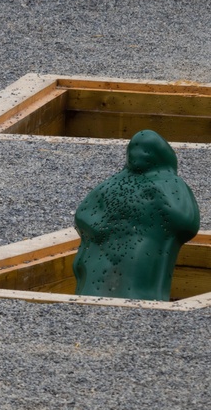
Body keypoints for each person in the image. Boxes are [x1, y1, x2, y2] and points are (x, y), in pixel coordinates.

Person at [73, 129, 200, 301]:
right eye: (133, 150)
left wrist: (160, 202)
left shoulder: (171, 183)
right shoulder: (114, 182)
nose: (137, 155)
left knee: (137, 285)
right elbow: (83, 213)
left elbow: (188, 222)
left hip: (145, 249)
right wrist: (99, 228)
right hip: (104, 250)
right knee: (98, 282)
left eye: (145, 151)